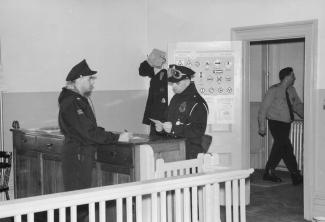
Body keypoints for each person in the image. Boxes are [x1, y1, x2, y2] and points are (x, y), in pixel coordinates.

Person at [58, 59, 130, 192]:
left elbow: (88, 128)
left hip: (79, 154)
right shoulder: (72, 101)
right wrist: (116, 138)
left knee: (79, 199)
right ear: (79, 79)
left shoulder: (75, 99)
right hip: (78, 155)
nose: (92, 82)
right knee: (79, 201)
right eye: (89, 79)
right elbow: (88, 132)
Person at [258, 67, 303, 185]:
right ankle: (295, 174)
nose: (294, 78)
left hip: (286, 124)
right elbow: (263, 109)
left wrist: (308, 117)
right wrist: (262, 126)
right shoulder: (274, 90)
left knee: (280, 147)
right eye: (293, 75)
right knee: (286, 147)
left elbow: (297, 106)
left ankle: (268, 172)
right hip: (276, 123)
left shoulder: (292, 90)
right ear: (287, 77)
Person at [154, 65, 209, 159]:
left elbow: (198, 130)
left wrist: (174, 128)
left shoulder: (198, 103)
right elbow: (167, 119)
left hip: (189, 151)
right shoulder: (175, 99)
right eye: (172, 83)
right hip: (172, 149)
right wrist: (161, 128)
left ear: (187, 82)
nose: (173, 86)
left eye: (177, 83)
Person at [139, 49, 169, 136]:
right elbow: (142, 71)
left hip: (164, 114)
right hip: (155, 114)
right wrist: (151, 61)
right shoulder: (156, 72)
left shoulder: (166, 71)